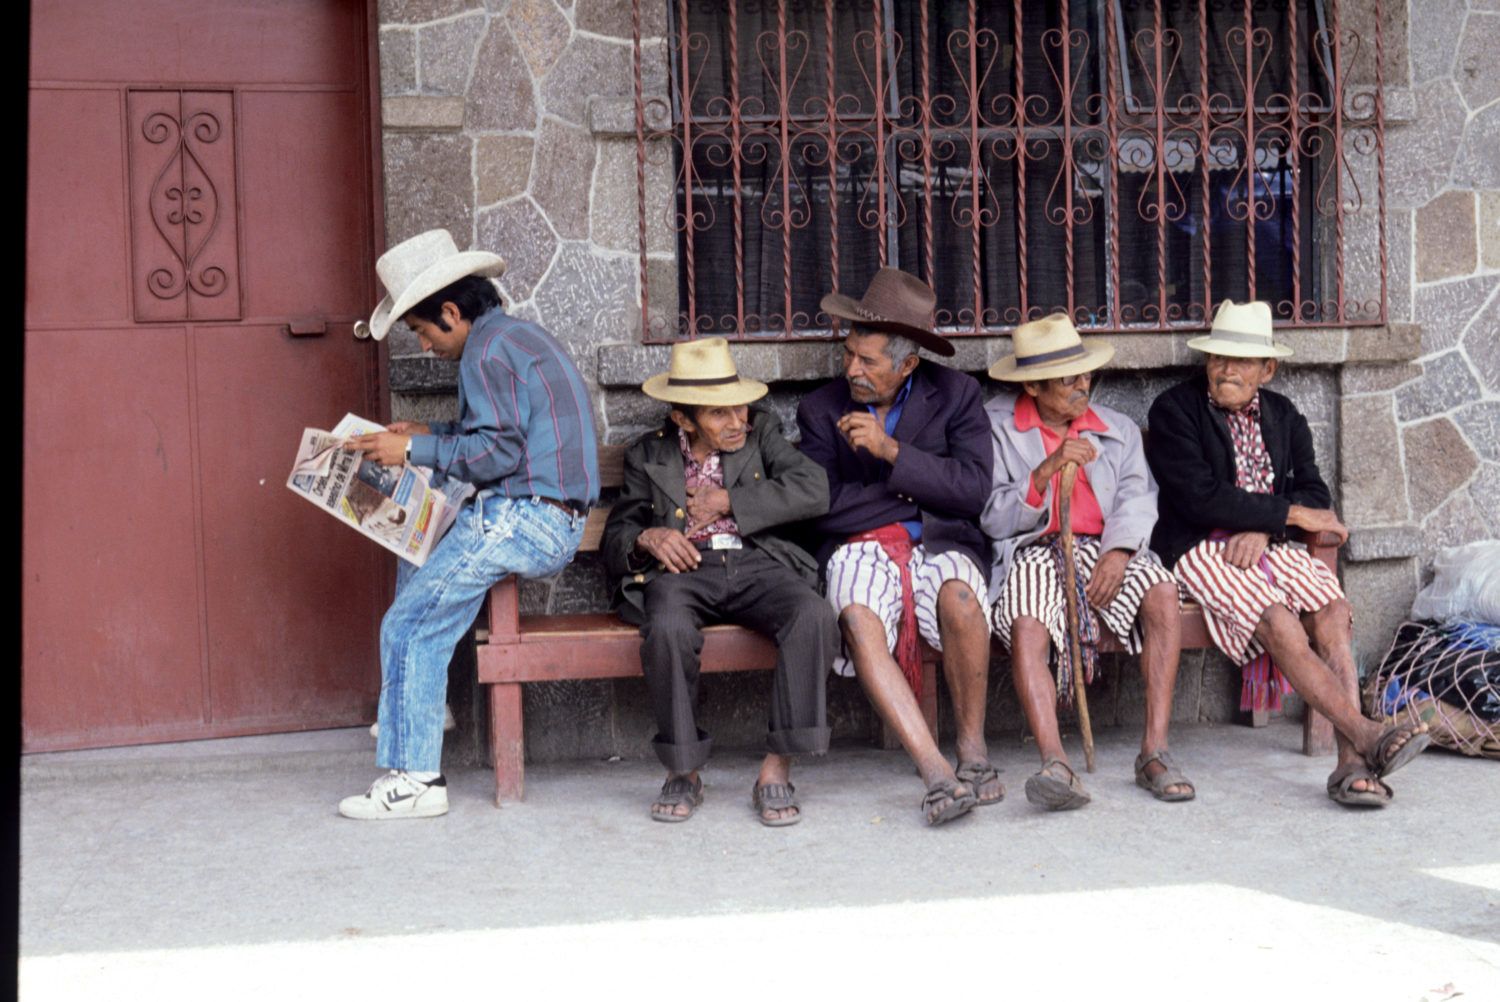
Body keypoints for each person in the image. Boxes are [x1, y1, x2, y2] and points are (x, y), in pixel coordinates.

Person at [338, 229, 599, 819]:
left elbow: (498, 457)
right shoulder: (511, 340)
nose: (426, 345)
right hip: (538, 517)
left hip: (524, 518)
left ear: (452, 312)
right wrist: (426, 436)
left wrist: (410, 456)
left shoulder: (484, 353)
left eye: (425, 332)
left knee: (410, 623)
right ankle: (422, 707)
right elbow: (496, 439)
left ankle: (416, 782)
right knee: (416, 549)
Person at [1146, 300, 1429, 808]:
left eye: (1242, 360)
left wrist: (1266, 525)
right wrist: (1282, 516)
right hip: (1201, 547)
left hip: (1269, 544)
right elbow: (1199, 496)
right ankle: (1366, 737)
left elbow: (1316, 496)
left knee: (1335, 613)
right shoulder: (1173, 411)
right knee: (1278, 621)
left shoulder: (1284, 415)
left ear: (1267, 369)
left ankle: (1348, 765)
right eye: (1218, 357)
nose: (1227, 368)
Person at [602, 338, 835, 826]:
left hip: (756, 562)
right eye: (718, 415)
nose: (737, 423)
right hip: (685, 572)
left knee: (812, 614)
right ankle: (683, 769)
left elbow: (814, 490)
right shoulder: (650, 454)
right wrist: (648, 536)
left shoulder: (762, 434)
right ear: (683, 420)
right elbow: (617, 533)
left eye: (740, 409)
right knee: (665, 628)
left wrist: (729, 502)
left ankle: (777, 767)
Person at [796, 268, 998, 826]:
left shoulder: (957, 395)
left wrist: (891, 454)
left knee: (960, 598)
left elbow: (974, 491)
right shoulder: (819, 409)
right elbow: (820, 505)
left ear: (908, 364)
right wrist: (917, 495)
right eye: (849, 354)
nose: (852, 369)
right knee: (859, 618)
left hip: (942, 541)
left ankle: (974, 755)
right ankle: (935, 772)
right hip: (858, 546)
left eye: (868, 361)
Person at [981, 313, 1194, 810]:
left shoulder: (1114, 429)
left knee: (1162, 593)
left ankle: (1154, 753)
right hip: (1036, 546)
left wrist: (1119, 552)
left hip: (1107, 548)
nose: (1083, 385)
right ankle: (1056, 763)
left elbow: (1139, 499)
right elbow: (990, 516)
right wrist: (1044, 473)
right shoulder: (995, 428)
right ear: (1032, 386)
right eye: (1067, 378)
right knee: (1028, 621)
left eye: (1084, 374)